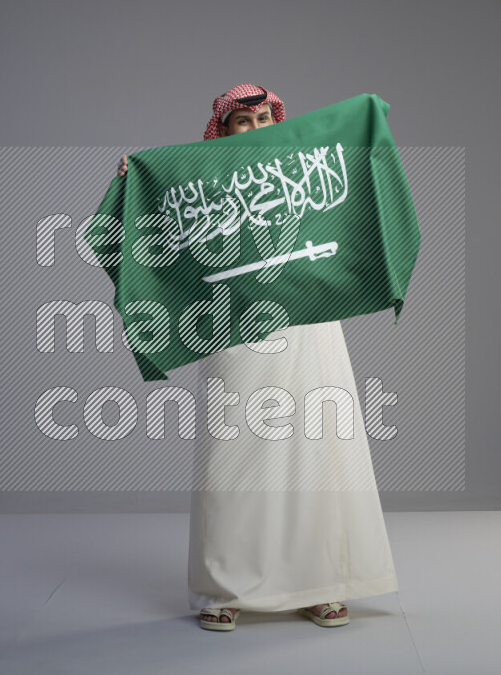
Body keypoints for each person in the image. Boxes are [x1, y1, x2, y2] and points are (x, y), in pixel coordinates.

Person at [115, 84, 398, 632]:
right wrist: (138, 178)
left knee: (318, 450)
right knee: (234, 457)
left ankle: (321, 585)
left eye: (265, 116)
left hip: (310, 321)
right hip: (233, 326)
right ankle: (224, 588)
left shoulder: (304, 166)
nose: (256, 127)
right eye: (242, 120)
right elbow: (166, 219)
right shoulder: (208, 182)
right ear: (222, 130)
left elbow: (351, 190)